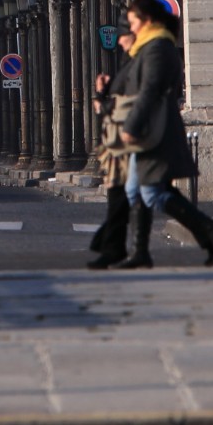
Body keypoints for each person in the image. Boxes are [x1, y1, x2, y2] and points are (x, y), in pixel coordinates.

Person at [109, 0, 213, 270]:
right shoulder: (148, 47)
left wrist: (131, 126)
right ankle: (143, 251)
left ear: (148, 21)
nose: (132, 29)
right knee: (140, 191)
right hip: (150, 129)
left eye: (133, 22)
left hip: (155, 130)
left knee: (150, 192)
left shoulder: (158, 48)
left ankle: (212, 229)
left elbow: (150, 90)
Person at [86, 29, 136, 269]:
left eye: (126, 33)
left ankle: (109, 246)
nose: (121, 40)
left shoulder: (138, 65)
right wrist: (101, 95)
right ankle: (114, 248)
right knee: (125, 199)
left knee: (128, 199)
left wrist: (100, 99)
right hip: (119, 147)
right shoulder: (130, 64)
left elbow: (120, 109)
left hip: (129, 145)